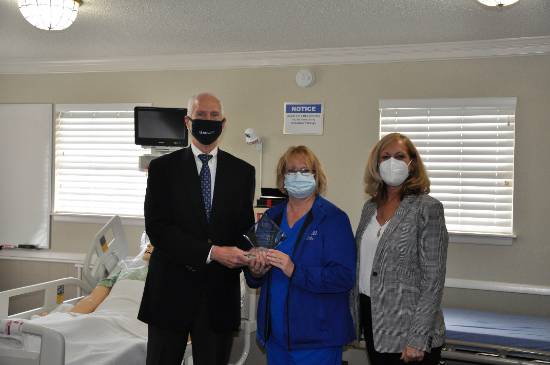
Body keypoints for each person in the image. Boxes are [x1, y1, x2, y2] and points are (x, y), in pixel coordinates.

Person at [138, 93, 255, 365]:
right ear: (187, 121)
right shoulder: (162, 169)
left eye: (215, 115)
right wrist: (211, 252)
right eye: (201, 114)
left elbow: (243, 229)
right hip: (169, 292)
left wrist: (254, 255)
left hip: (218, 296)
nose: (208, 121)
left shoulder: (243, 172)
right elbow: (158, 228)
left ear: (224, 124)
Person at [246, 145, 356, 365]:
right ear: (282, 178)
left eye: (305, 171)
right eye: (291, 171)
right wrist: (255, 270)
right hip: (275, 338)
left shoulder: (333, 219)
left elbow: (344, 277)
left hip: (316, 342)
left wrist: (294, 270)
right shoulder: (272, 217)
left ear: (316, 176)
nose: (298, 176)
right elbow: (253, 275)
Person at [351, 132, 448, 365]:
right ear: (376, 164)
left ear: (412, 163)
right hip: (373, 317)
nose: (391, 162)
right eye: (385, 157)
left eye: (399, 156)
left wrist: (417, 338)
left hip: (409, 329)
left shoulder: (428, 208)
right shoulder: (370, 207)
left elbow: (433, 280)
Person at [71, 241, 153, 314]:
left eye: (155, 243)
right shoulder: (124, 271)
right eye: (150, 242)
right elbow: (92, 300)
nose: (149, 245)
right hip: (106, 316)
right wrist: (68, 317)